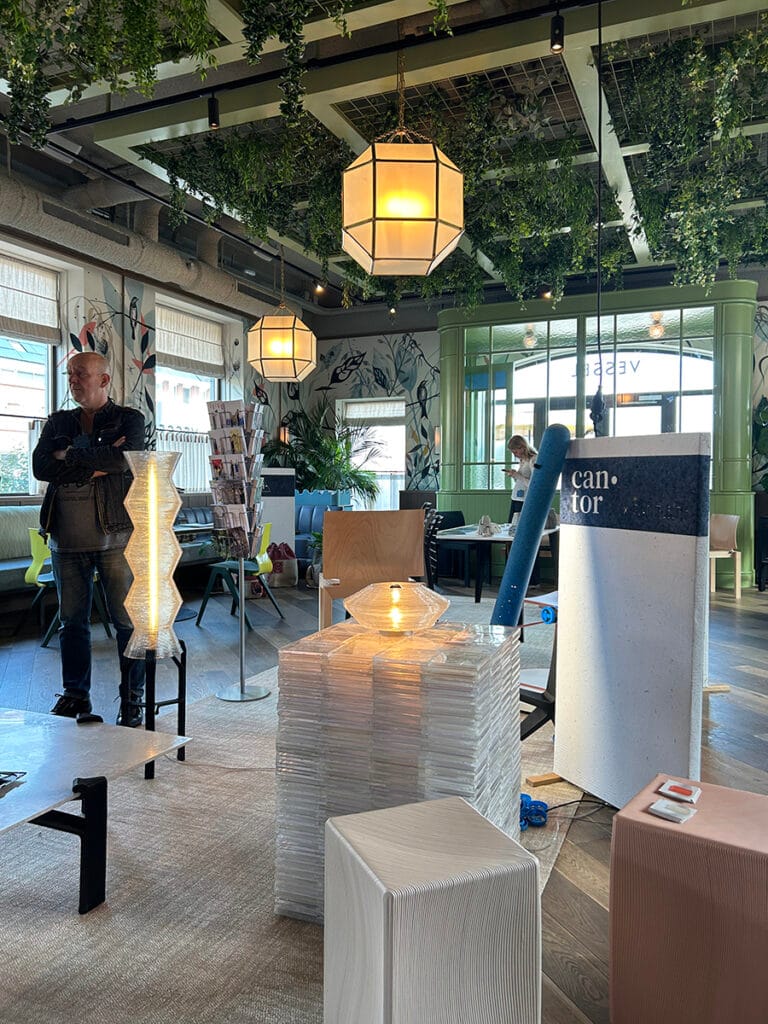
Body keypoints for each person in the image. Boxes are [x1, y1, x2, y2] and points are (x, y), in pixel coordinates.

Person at [32, 351, 147, 726]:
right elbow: (40, 467)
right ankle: (75, 695)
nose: (73, 380)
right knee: (71, 623)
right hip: (64, 538)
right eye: (70, 374)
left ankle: (132, 699)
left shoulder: (129, 419)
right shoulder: (58, 421)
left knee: (126, 622)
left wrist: (68, 455)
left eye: (81, 373)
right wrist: (95, 461)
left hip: (115, 535)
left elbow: (124, 461)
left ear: (104, 379)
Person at [503, 434, 537, 522]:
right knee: (512, 525)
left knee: (519, 525)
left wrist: (517, 475)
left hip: (525, 499)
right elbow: (521, 481)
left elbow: (534, 485)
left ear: (522, 447)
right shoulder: (523, 460)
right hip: (516, 498)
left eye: (515, 452)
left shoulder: (533, 460)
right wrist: (514, 475)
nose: (515, 455)